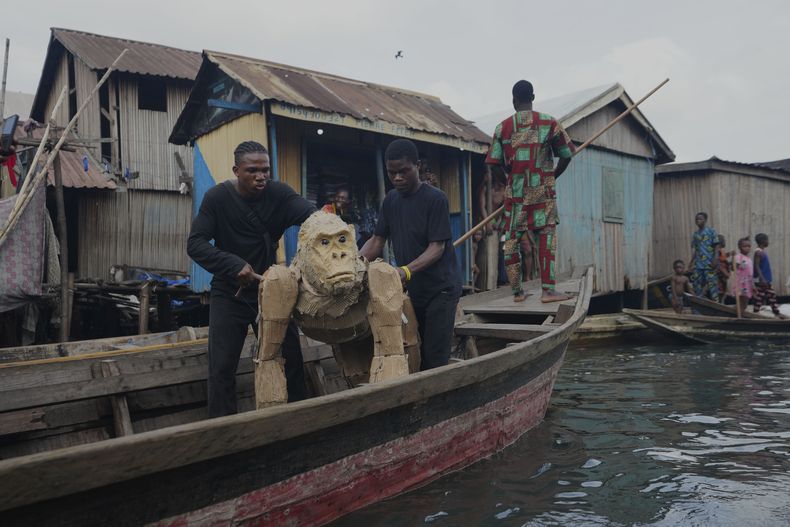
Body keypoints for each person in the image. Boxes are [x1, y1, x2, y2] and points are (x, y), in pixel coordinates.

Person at [187, 141, 316, 417]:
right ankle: (224, 433)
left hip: (271, 291)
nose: (261, 176)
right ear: (236, 170)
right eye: (252, 170)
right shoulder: (217, 199)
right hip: (228, 293)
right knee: (221, 368)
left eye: (265, 170)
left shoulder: (279, 194)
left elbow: (314, 220)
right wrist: (233, 264)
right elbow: (195, 244)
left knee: (291, 359)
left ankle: (299, 421)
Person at [360, 139, 462, 370]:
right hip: (414, 289)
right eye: (392, 172)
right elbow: (377, 240)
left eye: (403, 171)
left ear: (417, 166)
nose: (397, 178)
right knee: (414, 349)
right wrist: (355, 264)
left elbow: (437, 248)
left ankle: (438, 400)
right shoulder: (390, 201)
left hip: (441, 289)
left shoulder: (436, 199)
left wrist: (405, 271)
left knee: (435, 358)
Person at [485, 80, 575, 303]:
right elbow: (566, 154)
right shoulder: (549, 123)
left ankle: (517, 292)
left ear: (513, 101)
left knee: (512, 241)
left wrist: (507, 179)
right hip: (542, 192)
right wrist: (553, 175)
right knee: (546, 236)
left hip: (516, 194)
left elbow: (493, 163)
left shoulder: (502, 127)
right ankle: (548, 290)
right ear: (533, 97)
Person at [689, 212, 720, 300]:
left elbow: (716, 245)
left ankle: (716, 303)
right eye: (696, 219)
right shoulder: (695, 234)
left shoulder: (711, 231)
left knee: (712, 284)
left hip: (709, 263)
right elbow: (696, 250)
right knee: (697, 284)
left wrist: (715, 258)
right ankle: (699, 304)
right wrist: (691, 263)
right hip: (698, 264)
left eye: (700, 219)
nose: (698, 220)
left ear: (705, 220)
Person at [753, 233, 783, 317]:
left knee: (769, 295)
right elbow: (756, 265)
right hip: (762, 279)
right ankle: (756, 312)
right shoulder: (758, 252)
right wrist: (762, 278)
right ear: (763, 241)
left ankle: (775, 310)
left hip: (765, 279)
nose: (768, 242)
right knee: (763, 296)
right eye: (767, 240)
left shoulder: (761, 251)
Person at [732, 236, 754, 313]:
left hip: (748, 283)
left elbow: (750, 274)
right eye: (745, 246)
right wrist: (733, 258)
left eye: (749, 246)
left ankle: (739, 314)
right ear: (740, 247)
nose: (747, 248)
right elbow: (733, 267)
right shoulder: (738, 257)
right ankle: (738, 316)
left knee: (745, 302)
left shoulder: (749, 259)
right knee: (741, 301)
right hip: (741, 284)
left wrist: (753, 285)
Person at [716, 234, 731, 302]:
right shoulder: (717, 251)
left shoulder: (721, 251)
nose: (725, 241)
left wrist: (730, 254)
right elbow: (718, 263)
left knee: (723, 292)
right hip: (719, 275)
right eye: (724, 240)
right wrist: (724, 272)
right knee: (720, 292)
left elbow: (723, 258)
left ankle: (721, 303)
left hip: (723, 276)